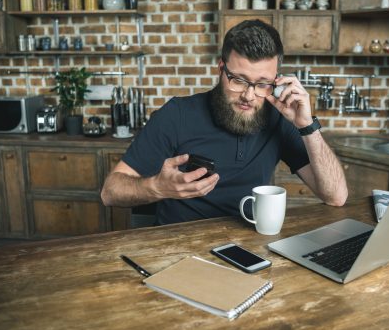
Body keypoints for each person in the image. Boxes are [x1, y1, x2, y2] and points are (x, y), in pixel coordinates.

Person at [101, 20, 348, 225]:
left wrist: (307, 126)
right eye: (238, 80)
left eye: (262, 84)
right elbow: (110, 192)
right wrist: (157, 187)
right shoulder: (176, 114)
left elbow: (336, 197)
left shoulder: (279, 118)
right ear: (221, 68)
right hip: (179, 248)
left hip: (249, 248)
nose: (249, 96)